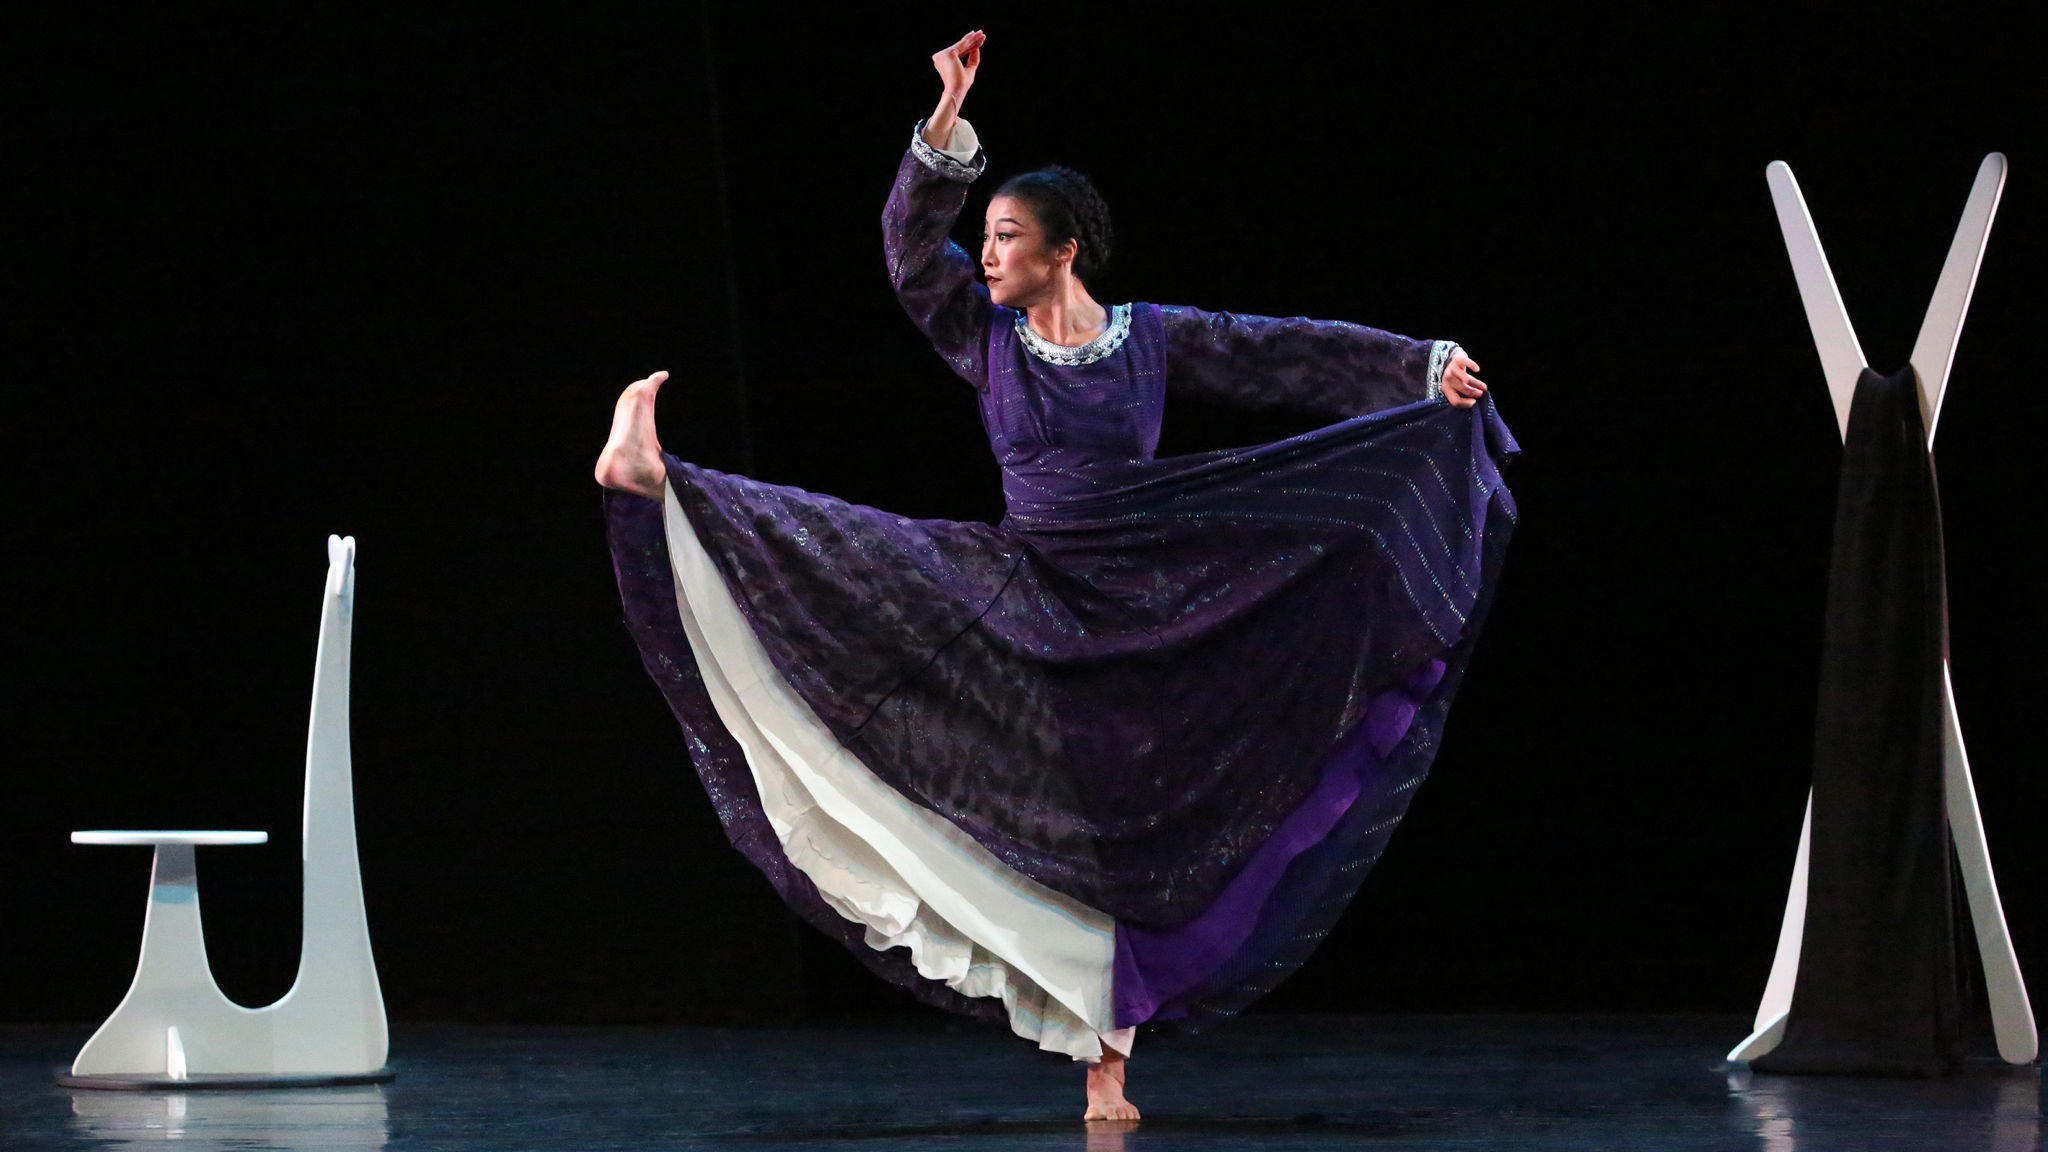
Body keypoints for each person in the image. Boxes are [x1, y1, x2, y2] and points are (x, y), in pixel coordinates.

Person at [597, 30, 1516, 1123]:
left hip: (1148, 607)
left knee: (1128, 825)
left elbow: (1281, 353)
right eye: (984, 237)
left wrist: (1417, 367)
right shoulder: (983, 336)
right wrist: (945, 117)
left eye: (1007, 237)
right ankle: (663, 485)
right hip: (1024, 589)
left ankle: (1107, 1061)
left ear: (1063, 250)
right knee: (845, 556)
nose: (986, 256)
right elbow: (909, 253)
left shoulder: (1151, 340)